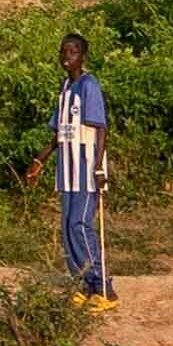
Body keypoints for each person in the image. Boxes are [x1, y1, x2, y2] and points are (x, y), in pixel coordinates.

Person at [53, 32, 115, 305]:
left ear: (83, 56)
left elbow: (100, 128)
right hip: (66, 172)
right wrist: (39, 160)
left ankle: (104, 287)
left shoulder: (89, 85)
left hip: (87, 170)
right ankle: (83, 283)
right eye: (64, 52)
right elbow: (58, 132)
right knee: (67, 228)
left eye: (73, 52)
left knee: (80, 225)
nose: (67, 57)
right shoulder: (65, 89)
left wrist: (99, 168)